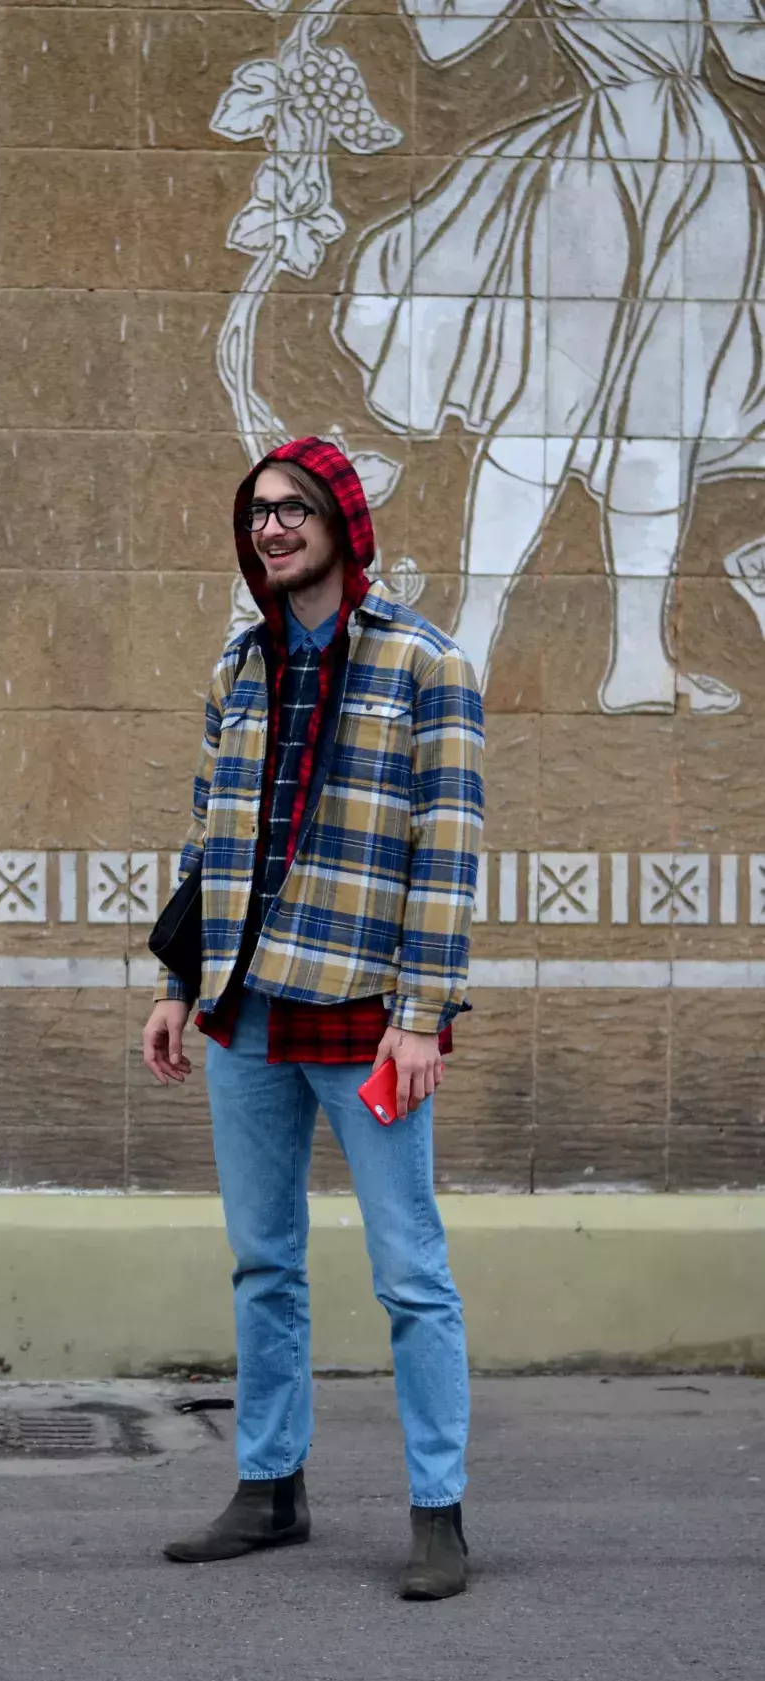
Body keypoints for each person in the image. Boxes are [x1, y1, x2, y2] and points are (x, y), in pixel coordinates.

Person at [142, 437, 484, 1600]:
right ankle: (269, 1487)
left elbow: (446, 855)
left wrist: (420, 1016)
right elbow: (205, 837)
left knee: (409, 1275)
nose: (272, 528)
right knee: (262, 1264)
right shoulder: (238, 665)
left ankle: (436, 1510)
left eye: (293, 508)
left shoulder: (425, 663)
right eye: (256, 512)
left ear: (340, 523)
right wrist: (177, 984)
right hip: (245, 1013)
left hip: (365, 1017)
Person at [334, 0, 765, 717]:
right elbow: (443, 37)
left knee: (662, 427)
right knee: (545, 413)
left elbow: (748, 52)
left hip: (705, 174)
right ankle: (468, 647)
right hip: (599, 173)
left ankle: (638, 664)